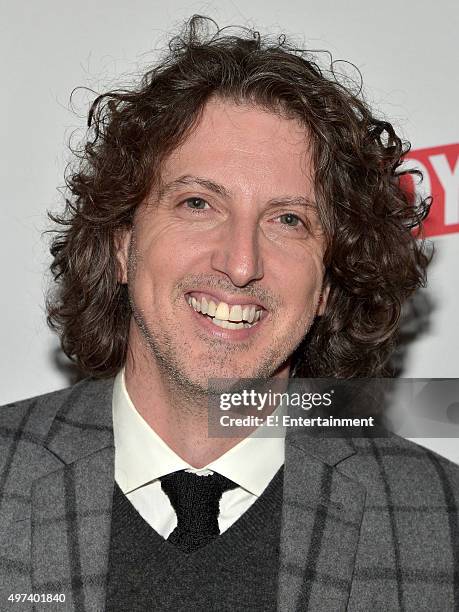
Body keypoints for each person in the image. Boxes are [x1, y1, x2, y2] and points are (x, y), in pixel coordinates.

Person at [1, 15, 458, 612]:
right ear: (121, 244)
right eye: (198, 203)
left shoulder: (441, 523)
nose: (241, 264)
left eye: (288, 220)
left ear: (327, 284)